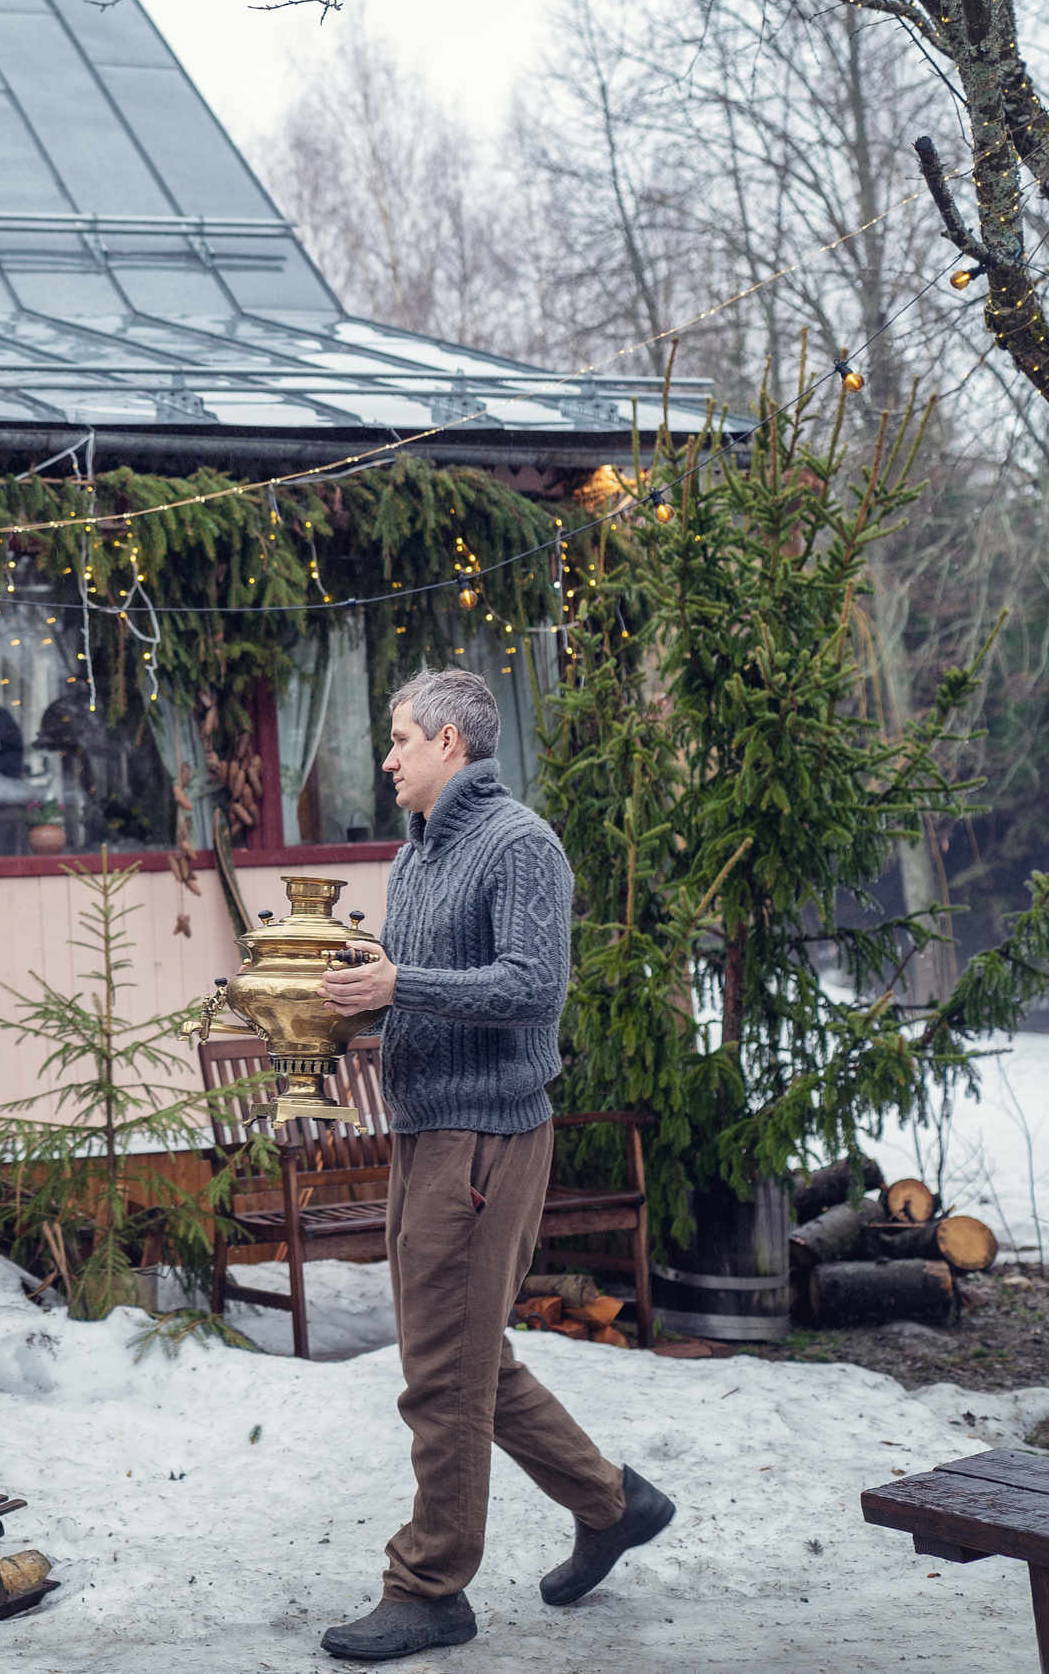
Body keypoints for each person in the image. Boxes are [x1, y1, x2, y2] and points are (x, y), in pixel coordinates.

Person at [314, 667, 673, 1662]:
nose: (387, 758)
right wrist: (347, 1006)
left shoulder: (520, 845)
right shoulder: (415, 854)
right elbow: (424, 991)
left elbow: (529, 987)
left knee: (442, 1374)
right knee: (463, 1355)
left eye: (399, 738)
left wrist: (400, 983)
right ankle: (613, 1504)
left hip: (485, 1139)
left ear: (449, 742)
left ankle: (430, 1586)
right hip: (423, 1132)